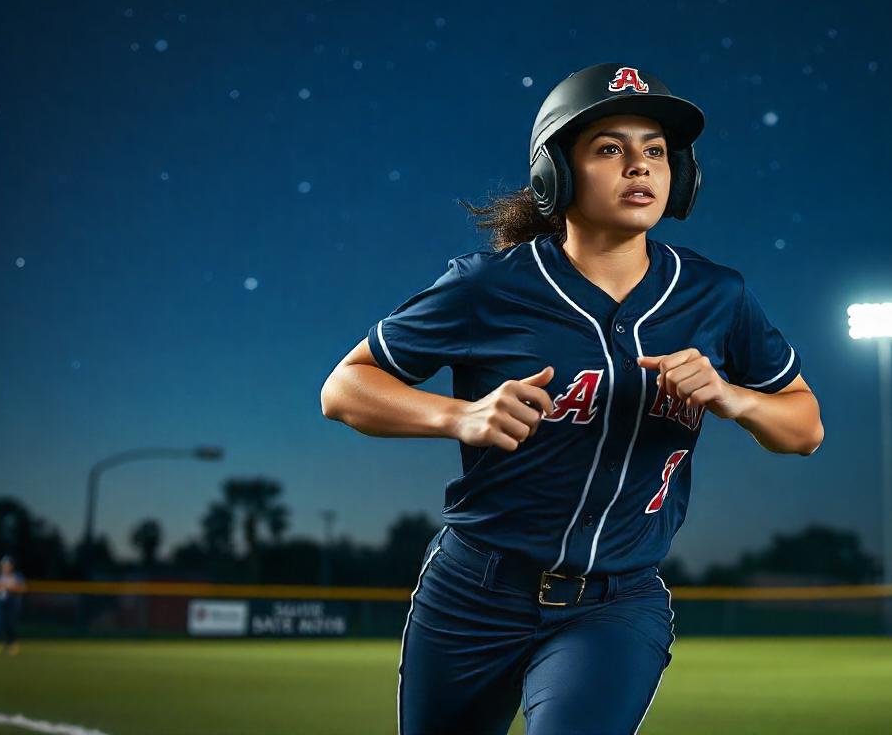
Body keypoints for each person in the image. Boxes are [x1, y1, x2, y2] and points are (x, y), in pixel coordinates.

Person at [321, 62, 824, 734]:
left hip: (615, 603)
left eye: (654, 151)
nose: (639, 167)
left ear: (682, 175)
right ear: (555, 172)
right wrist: (458, 415)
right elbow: (345, 388)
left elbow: (805, 426)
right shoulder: (489, 287)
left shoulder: (718, 296)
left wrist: (735, 398)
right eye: (610, 149)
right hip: (473, 592)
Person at [0, 555, 25, 656]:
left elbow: (23, 589)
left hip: (12, 604)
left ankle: (11, 645)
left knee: (10, 625)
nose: (6, 567)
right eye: (4, 565)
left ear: (12, 566)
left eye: (8, 565)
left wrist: (9, 587)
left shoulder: (17, 576)